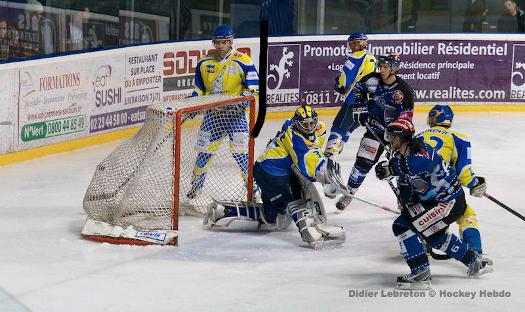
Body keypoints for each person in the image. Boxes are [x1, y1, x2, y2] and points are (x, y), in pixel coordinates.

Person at [204, 105, 346, 249]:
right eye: (305, 124)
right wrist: (327, 178)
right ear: (297, 124)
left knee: (271, 215)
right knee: (296, 201)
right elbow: (308, 160)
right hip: (272, 173)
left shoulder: (312, 129)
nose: (309, 127)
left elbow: (315, 144)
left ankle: (224, 210)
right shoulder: (295, 137)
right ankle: (313, 235)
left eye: (312, 123)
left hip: (265, 169)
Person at [375, 119, 493, 289]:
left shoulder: (419, 155)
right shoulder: (408, 151)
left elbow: (416, 165)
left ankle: (421, 273)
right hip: (443, 200)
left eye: (393, 137)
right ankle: (475, 262)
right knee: (434, 237)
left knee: (402, 226)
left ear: (402, 138)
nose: (389, 140)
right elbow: (407, 181)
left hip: (448, 203)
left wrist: (390, 168)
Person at [329, 52, 415, 212]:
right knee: (362, 162)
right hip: (374, 129)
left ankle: (403, 200)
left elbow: (406, 118)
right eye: (380, 66)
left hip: (397, 137)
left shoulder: (404, 91)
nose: (381, 70)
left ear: (394, 68)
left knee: (400, 166)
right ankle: (350, 192)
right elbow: (357, 92)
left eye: (385, 67)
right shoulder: (372, 79)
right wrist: (361, 108)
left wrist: (396, 136)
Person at [187, 25, 259, 201]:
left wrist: (234, 104)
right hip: (212, 116)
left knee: (241, 154)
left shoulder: (244, 61)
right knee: (204, 152)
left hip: (236, 117)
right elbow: (198, 89)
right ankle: (195, 187)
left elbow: (254, 90)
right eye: (217, 42)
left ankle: (253, 189)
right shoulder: (204, 63)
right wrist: (195, 104)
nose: (220, 46)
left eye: (224, 42)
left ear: (231, 41)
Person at [417, 104, 487, 253]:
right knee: (465, 214)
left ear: (432, 118)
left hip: (418, 192)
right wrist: (475, 184)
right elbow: (464, 173)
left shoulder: (418, 137)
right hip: (442, 192)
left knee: (421, 215)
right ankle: (474, 251)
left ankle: (422, 242)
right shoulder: (458, 138)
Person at [323, 32, 377, 159]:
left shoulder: (355, 57)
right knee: (349, 128)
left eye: (356, 43)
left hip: (355, 99)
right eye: (351, 44)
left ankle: (329, 154)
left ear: (363, 43)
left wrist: (340, 86)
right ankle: (339, 146)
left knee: (338, 126)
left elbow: (346, 77)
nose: (353, 47)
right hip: (370, 103)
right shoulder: (372, 58)